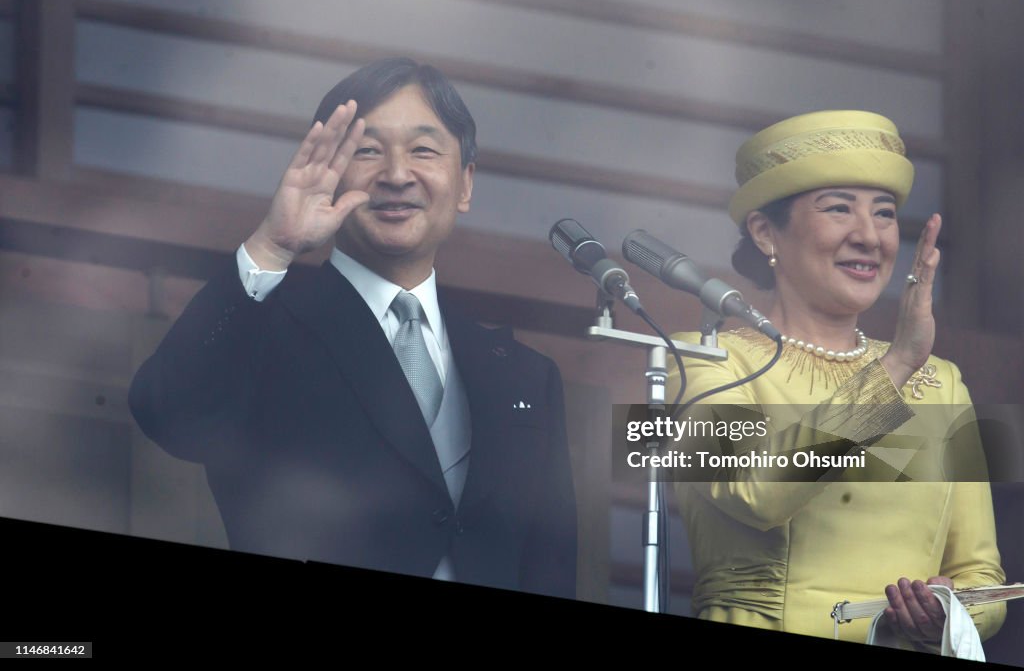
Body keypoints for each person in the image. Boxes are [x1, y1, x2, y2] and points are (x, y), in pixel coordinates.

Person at [129, 58, 577, 598]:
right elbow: (170, 415)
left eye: (424, 150)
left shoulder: (526, 378)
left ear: (464, 184)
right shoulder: (266, 322)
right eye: (368, 150)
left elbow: (549, 564)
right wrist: (273, 246)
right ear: (330, 172)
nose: (395, 174)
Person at [667, 110, 1005, 647]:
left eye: (885, 214)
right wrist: (893, 368)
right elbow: (756, 495)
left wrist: (949, 614)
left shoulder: (942, 384)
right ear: (764, 231)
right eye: (839, 209)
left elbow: (982, 579)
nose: (869, 236)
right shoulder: (701, 360)